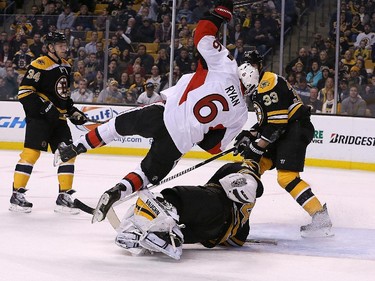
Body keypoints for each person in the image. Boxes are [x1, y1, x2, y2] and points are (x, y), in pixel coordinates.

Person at [55, 0, 255, 224]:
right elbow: (213, 147)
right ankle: (117, 191)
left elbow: (202, 35)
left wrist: (219, 15)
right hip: (179, 141)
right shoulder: (241, 115)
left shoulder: (226, 66)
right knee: (146, 174)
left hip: (163, 114)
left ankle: (76, 147)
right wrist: (201, 132)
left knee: (115, 127)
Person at [234, 50, 333, 238]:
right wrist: (250, 134)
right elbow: (268, 122)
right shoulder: (259, 85)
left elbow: (277, 124)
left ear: (258, 66)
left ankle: (320, 217)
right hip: (287, 129)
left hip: (294, 129)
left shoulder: (268, 83)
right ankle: (237, 216)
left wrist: (256, 146)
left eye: (253, 64)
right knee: (255, 165)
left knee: (286, 177)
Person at [115, 159, 263, 260]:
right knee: (181, 223)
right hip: (209, 234)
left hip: (215, 207)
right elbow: (237, 241)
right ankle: (160, 234)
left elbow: (248, 175)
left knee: (181, 198)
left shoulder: (239, 170)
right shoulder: (245, 213)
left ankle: (160, 212)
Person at [9, 32, 87, 214]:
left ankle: (64, 196)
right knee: (31, 154)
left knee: (68, 154)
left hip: (58, 120)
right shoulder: (40, 64)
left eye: (64, 45)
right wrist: (46, 108)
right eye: (60, 45)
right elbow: (24, 93)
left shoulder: (66, 66)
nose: (64, 48)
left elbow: (63, 96)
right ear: (50, 47)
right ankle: (16, 195)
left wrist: (72, 111)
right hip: (40, 119)